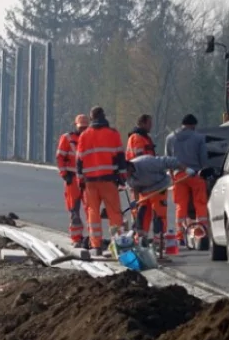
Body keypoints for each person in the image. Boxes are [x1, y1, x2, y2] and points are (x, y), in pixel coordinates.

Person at [77, 106, 126, 255]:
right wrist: (122, 178)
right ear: (104, 116)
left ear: (91, 119)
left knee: (93, 212)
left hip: (90, 182)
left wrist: (80, 181)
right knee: (114, 213)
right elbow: (120, 158)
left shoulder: (84, 135)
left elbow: (79, 161)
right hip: (109, 180)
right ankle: (117, 245)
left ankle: (96, 246)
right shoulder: (113, 134)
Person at [125, 154, 193, 246]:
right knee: (142, 213)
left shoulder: (147, 163)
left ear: (129, 167)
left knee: (159, 214)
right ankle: (141, 239)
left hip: (159, 187)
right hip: (144, 191)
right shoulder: (127, 176)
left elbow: (168, 161)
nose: (125, 175)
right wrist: (136, 201)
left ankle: (159, 239)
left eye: (126, 172)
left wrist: (185, 169)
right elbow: (135, 187)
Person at [164, 114, 209, 246]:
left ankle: (179, 236)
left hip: (178, 176)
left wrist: (172, 174)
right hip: (196, 175)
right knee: (200, 203)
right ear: (193, 125)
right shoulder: (199, 138)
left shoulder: (170, 138)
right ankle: (201, 232)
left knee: (180, 206)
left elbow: (168, 159)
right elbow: (203, 158)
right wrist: (204, 171)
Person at [56, 114, 90, 247]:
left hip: (87, 179)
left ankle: (92, 239)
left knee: (90, 209)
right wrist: (65, 175)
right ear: (76, 126)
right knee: (74, 210)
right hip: (72, 178)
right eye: (81, 127)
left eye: (85, 128)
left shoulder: (90, 138)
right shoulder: (67, 138)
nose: (83, 130)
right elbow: (60, 158)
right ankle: (76, 238)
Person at [125, 114, 159, 238]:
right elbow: (139, 159)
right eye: (149, 123)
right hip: (138, 178)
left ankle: (142, 235)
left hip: (145, 178)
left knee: (146, 207)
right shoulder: (137, 138)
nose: (151, 126)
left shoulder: (145, 138)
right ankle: (137, 235)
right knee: (140, 207)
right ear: (143, 123)